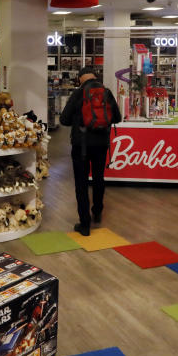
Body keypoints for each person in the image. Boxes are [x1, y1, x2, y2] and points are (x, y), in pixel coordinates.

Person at [59, 66, 121, 236]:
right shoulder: (106, 92)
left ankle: (85, 224)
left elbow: (64, 120)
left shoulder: (78, 94)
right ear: (95, 77)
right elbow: (117, 117)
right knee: (99, 178)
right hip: (101, 144)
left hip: (81, 146)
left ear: (80, 79)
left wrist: (78, 118)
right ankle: (98, 212)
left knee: (81, 183)